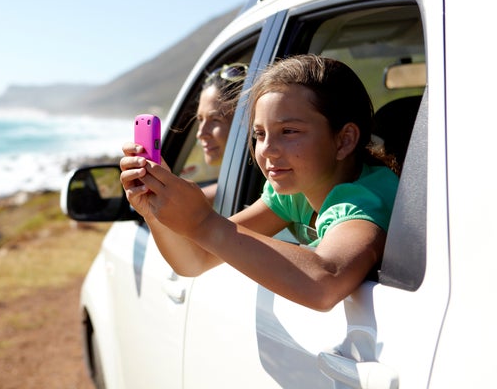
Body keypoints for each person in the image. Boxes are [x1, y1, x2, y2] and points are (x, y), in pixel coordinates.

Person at [120, 54, 399, 311]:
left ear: (344, 140)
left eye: (289, 131)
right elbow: (196, 260)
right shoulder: (296, 193)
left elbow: (325, 281)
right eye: (260, 134)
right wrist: (154, 208)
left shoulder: (367, 200)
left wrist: (203, 222)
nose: (266, 149)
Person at [195, 62, 247, 203]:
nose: (200, 134)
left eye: (215, 120)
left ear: (246, 123)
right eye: (200, 119)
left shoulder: (270, 191)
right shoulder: (239, 184)